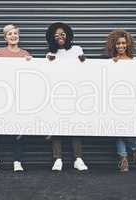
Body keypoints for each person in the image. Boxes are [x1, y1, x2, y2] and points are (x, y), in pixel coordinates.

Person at [0, 24, 31, 172]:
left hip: (18, 97)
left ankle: (17, 161)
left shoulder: (25, 54)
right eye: (10, 34)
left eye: (15, 33)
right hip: (1, 96)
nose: (13, 36)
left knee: (18, 130)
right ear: (5, 37)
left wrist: (31, 62)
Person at [45, 22, 88, 171]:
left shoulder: (77, 49)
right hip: (57, 94)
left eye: (62, 34)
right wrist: (48, 63)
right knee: (57, 126)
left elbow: (84, 70)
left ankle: (78, 159)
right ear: (52, 38)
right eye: (56, 36)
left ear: (67, 35)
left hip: (75, 93)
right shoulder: (51, 53)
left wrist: (84, 62)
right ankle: (58, 159)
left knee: (75, 126)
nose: (59, 37)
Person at [106, 28, 136, 172]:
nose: (121, 46)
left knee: (128, 129)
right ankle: (123, 159)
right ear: (114, 45)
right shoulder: (110, 62)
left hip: (131, 102)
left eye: (123, 43)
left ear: (128, 44)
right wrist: (112, 65)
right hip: (114, 101)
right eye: (118, 44)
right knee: (117, 130)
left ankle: (135, 149)